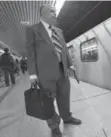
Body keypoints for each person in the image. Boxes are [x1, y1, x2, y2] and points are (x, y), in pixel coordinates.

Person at [25, 4, 81, 137]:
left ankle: (66, 117)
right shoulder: (33, 29)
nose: (54, 14)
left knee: (64, 96)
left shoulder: (58, 31)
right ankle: (54, 126)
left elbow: (64, 49)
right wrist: (32, 74)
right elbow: (30, 52)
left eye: (55, 11)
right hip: (45, 73)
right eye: (51, 11)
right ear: (42, 13)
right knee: (48, 101)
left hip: (62, 71)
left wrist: (70, 64)